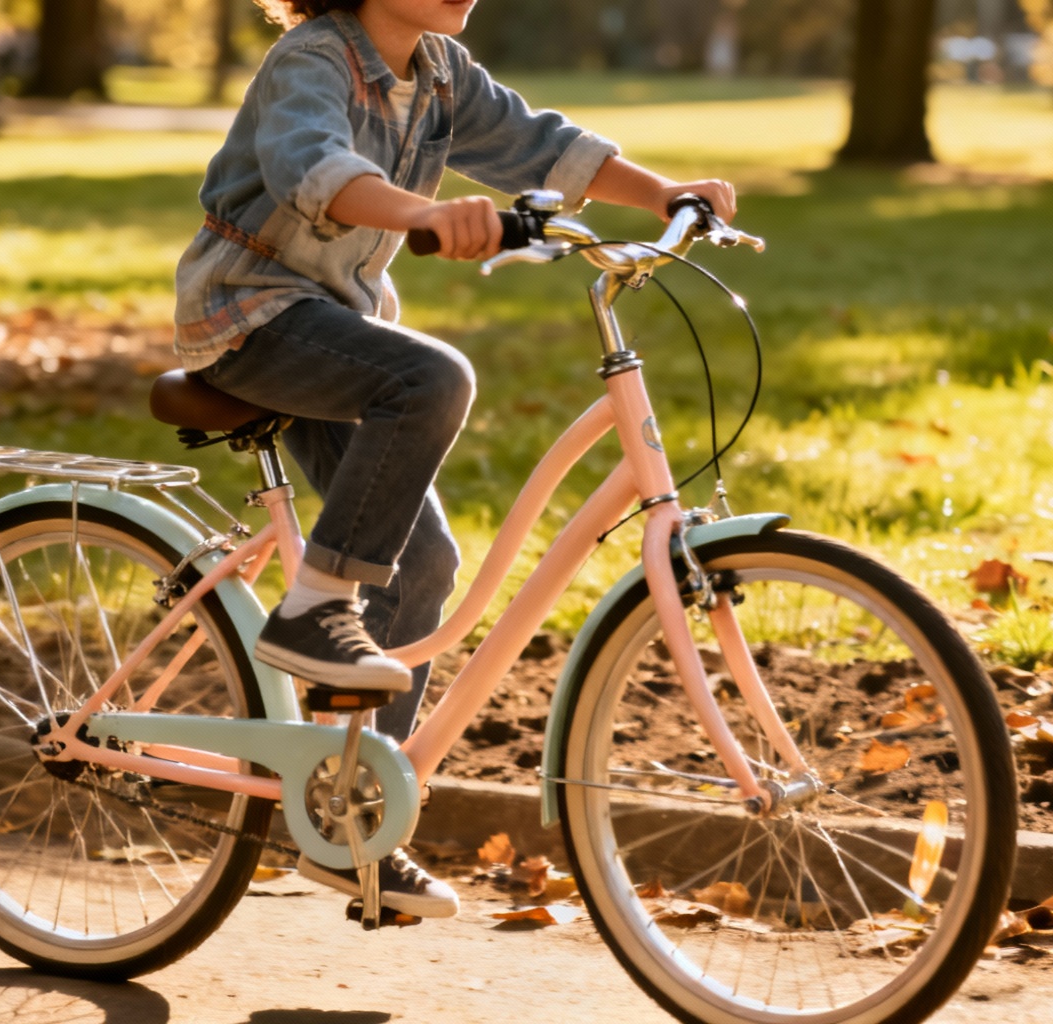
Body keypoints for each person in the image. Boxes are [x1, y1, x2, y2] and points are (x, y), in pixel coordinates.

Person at [172, 0, 738, 918]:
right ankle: (313, 608)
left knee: (423, 561)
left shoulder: (440, 74)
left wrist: (669, 193)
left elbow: (542, 146)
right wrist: (429, 214)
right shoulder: (309, 60)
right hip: (245, 314)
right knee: (433, 381)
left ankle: (354, 822)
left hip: (335, 329)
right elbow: (317, 169)